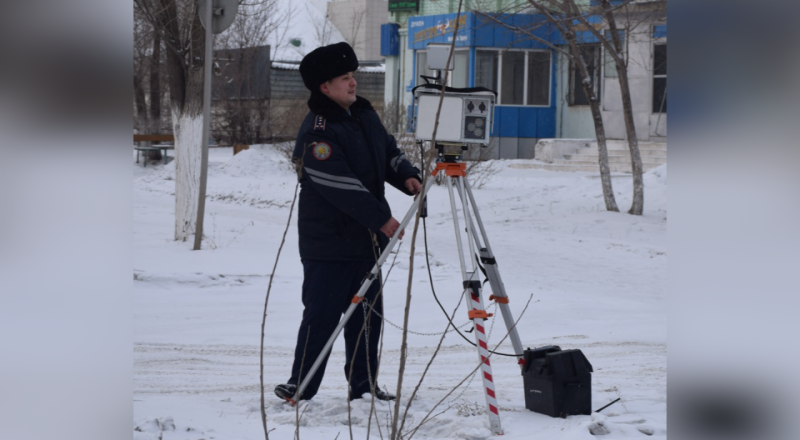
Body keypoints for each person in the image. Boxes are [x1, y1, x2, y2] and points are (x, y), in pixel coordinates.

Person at [274, 42, 422, 403]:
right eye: (345, 78)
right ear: (325, 87)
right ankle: (302, 385)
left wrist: (407, 176)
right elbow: (338, 183)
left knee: (368, 317)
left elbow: (387, 150)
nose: (354, 83)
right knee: (322, 316)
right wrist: (382, 219)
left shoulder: (364, 114)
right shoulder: (317, 131)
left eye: (353, 75)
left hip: (365, 241)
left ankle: (365, 386)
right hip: (328, 243)